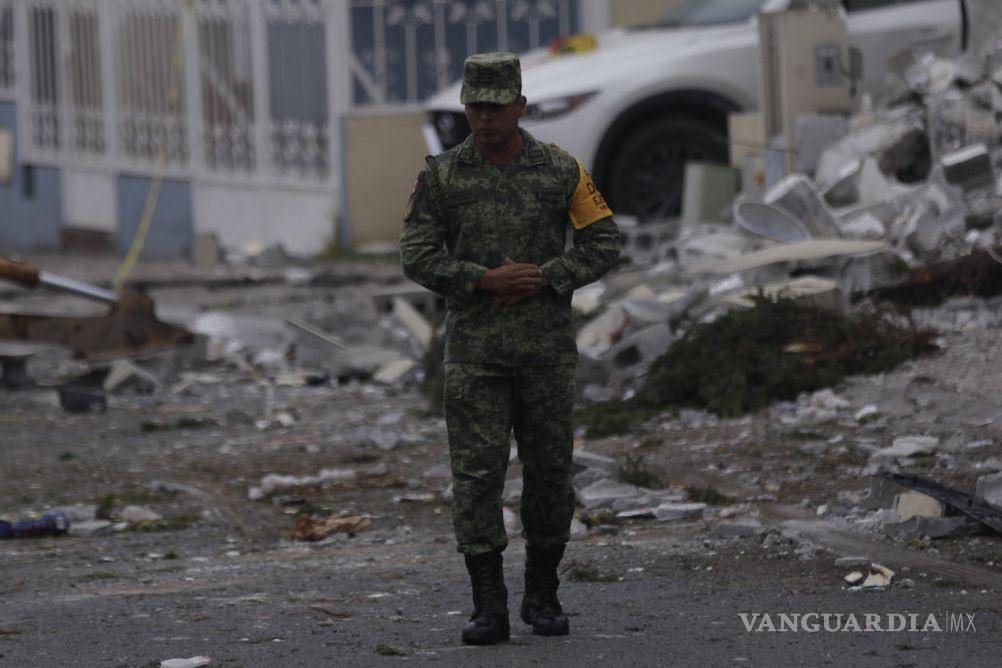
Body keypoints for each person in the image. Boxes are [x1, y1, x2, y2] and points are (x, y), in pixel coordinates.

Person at [399, 51, 620, 645]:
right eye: (474, 107)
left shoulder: (560, 169)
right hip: (475, 357)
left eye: (496, 107)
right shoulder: (442, 177)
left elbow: (604, 240)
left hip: (545, 353)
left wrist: (550, 274)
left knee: (549, 475)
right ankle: (488, 602)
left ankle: (542, 594)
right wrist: (479, 278)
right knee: (476, 479)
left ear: (520, 107)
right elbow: (416, 254)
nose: (485, 118)